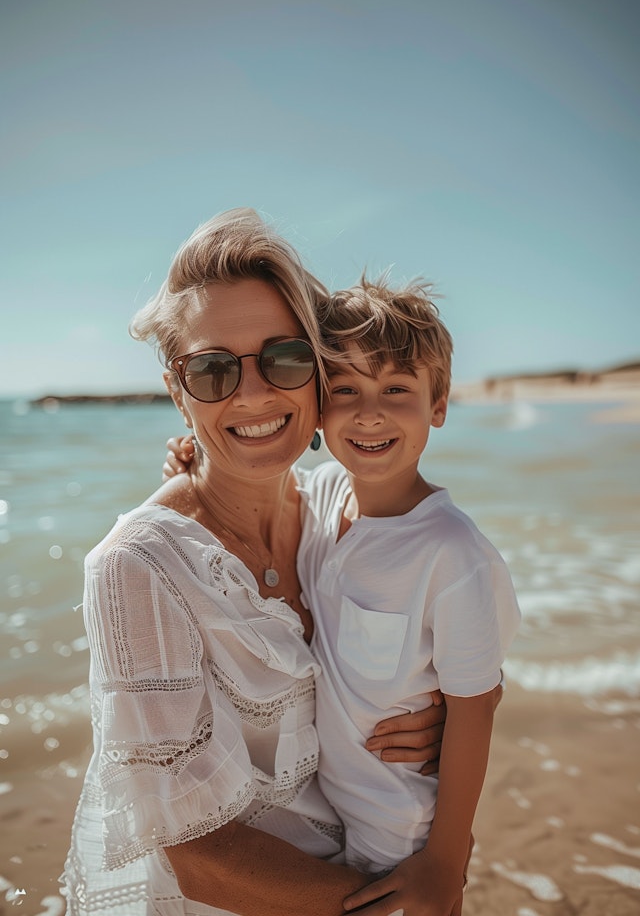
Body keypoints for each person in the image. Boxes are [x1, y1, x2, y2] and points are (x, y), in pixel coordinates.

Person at [61, 209, 452, 916]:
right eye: (211, 370)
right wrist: (403, 904)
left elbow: (455, 608)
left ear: (318, 370)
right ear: (179, 392)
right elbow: (199, 859)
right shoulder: (137, 570)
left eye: (285, 357)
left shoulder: (341, 508)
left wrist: (448, 710)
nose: (253, 393)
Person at [165, 274, 519, 915]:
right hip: (326, 815)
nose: (369, 412)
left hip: (401, 825)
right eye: (346, 389)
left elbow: (477, 705)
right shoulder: (324, 494)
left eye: (397, 390)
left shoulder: (452, 554)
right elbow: (249, 484)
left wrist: (443, 863)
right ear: (319, 406)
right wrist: (189, 465)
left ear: (438, 406)